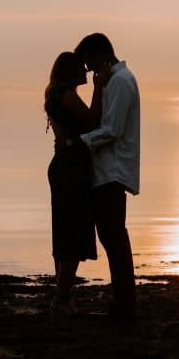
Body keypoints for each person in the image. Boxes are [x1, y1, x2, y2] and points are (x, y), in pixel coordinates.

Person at [75, 33, 141, 321]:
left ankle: (125, 302)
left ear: (101, 54)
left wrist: (80, 142)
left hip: (112, 172)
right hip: (106, 171)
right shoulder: (111, 82)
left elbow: (112, 129)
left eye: (88, 62)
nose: (87, 70)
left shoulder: (121, 82)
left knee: (114, 237)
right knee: (111, 236)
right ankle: (123, 298)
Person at [43, 51, 108, 317]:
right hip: (70, 168)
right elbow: (92, 121)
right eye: (82, 68)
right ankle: (62, 298)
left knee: (64, 231)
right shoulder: (68, 95)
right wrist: (99, 88)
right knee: (72, 232)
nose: (86, 71)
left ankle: (62, 295)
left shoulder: (53, 93)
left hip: (63, 164)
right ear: (71, 71)